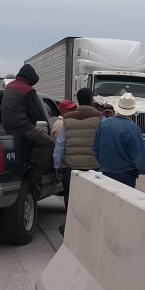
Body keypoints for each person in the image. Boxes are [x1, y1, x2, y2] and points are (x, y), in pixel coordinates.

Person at [0, 64, 56, 191]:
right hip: (23, 127)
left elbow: (2, 108)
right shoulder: (29, 90)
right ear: (30, 78)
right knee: (49, 144)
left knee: (36, 143)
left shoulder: (9, 86)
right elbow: (33, 114)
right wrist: (31, 126)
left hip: (8, 126)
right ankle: (35, 174)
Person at [53, 89, 102, 235]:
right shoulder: (99, 117)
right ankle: (90, 229)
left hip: (71, 167)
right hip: (94, 167)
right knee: (93, 199)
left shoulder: (67, 118)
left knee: (71, 197)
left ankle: (72, 226)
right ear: (92, 100)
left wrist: (56, 164)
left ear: (78, 100)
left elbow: (60, 144)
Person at [93, 92, 145, 188]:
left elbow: (96, 149)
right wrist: (141, 169)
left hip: (105, 171)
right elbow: (139, 156)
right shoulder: (133, 128)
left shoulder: (104, 124)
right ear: (133, 111)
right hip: (126, 174)